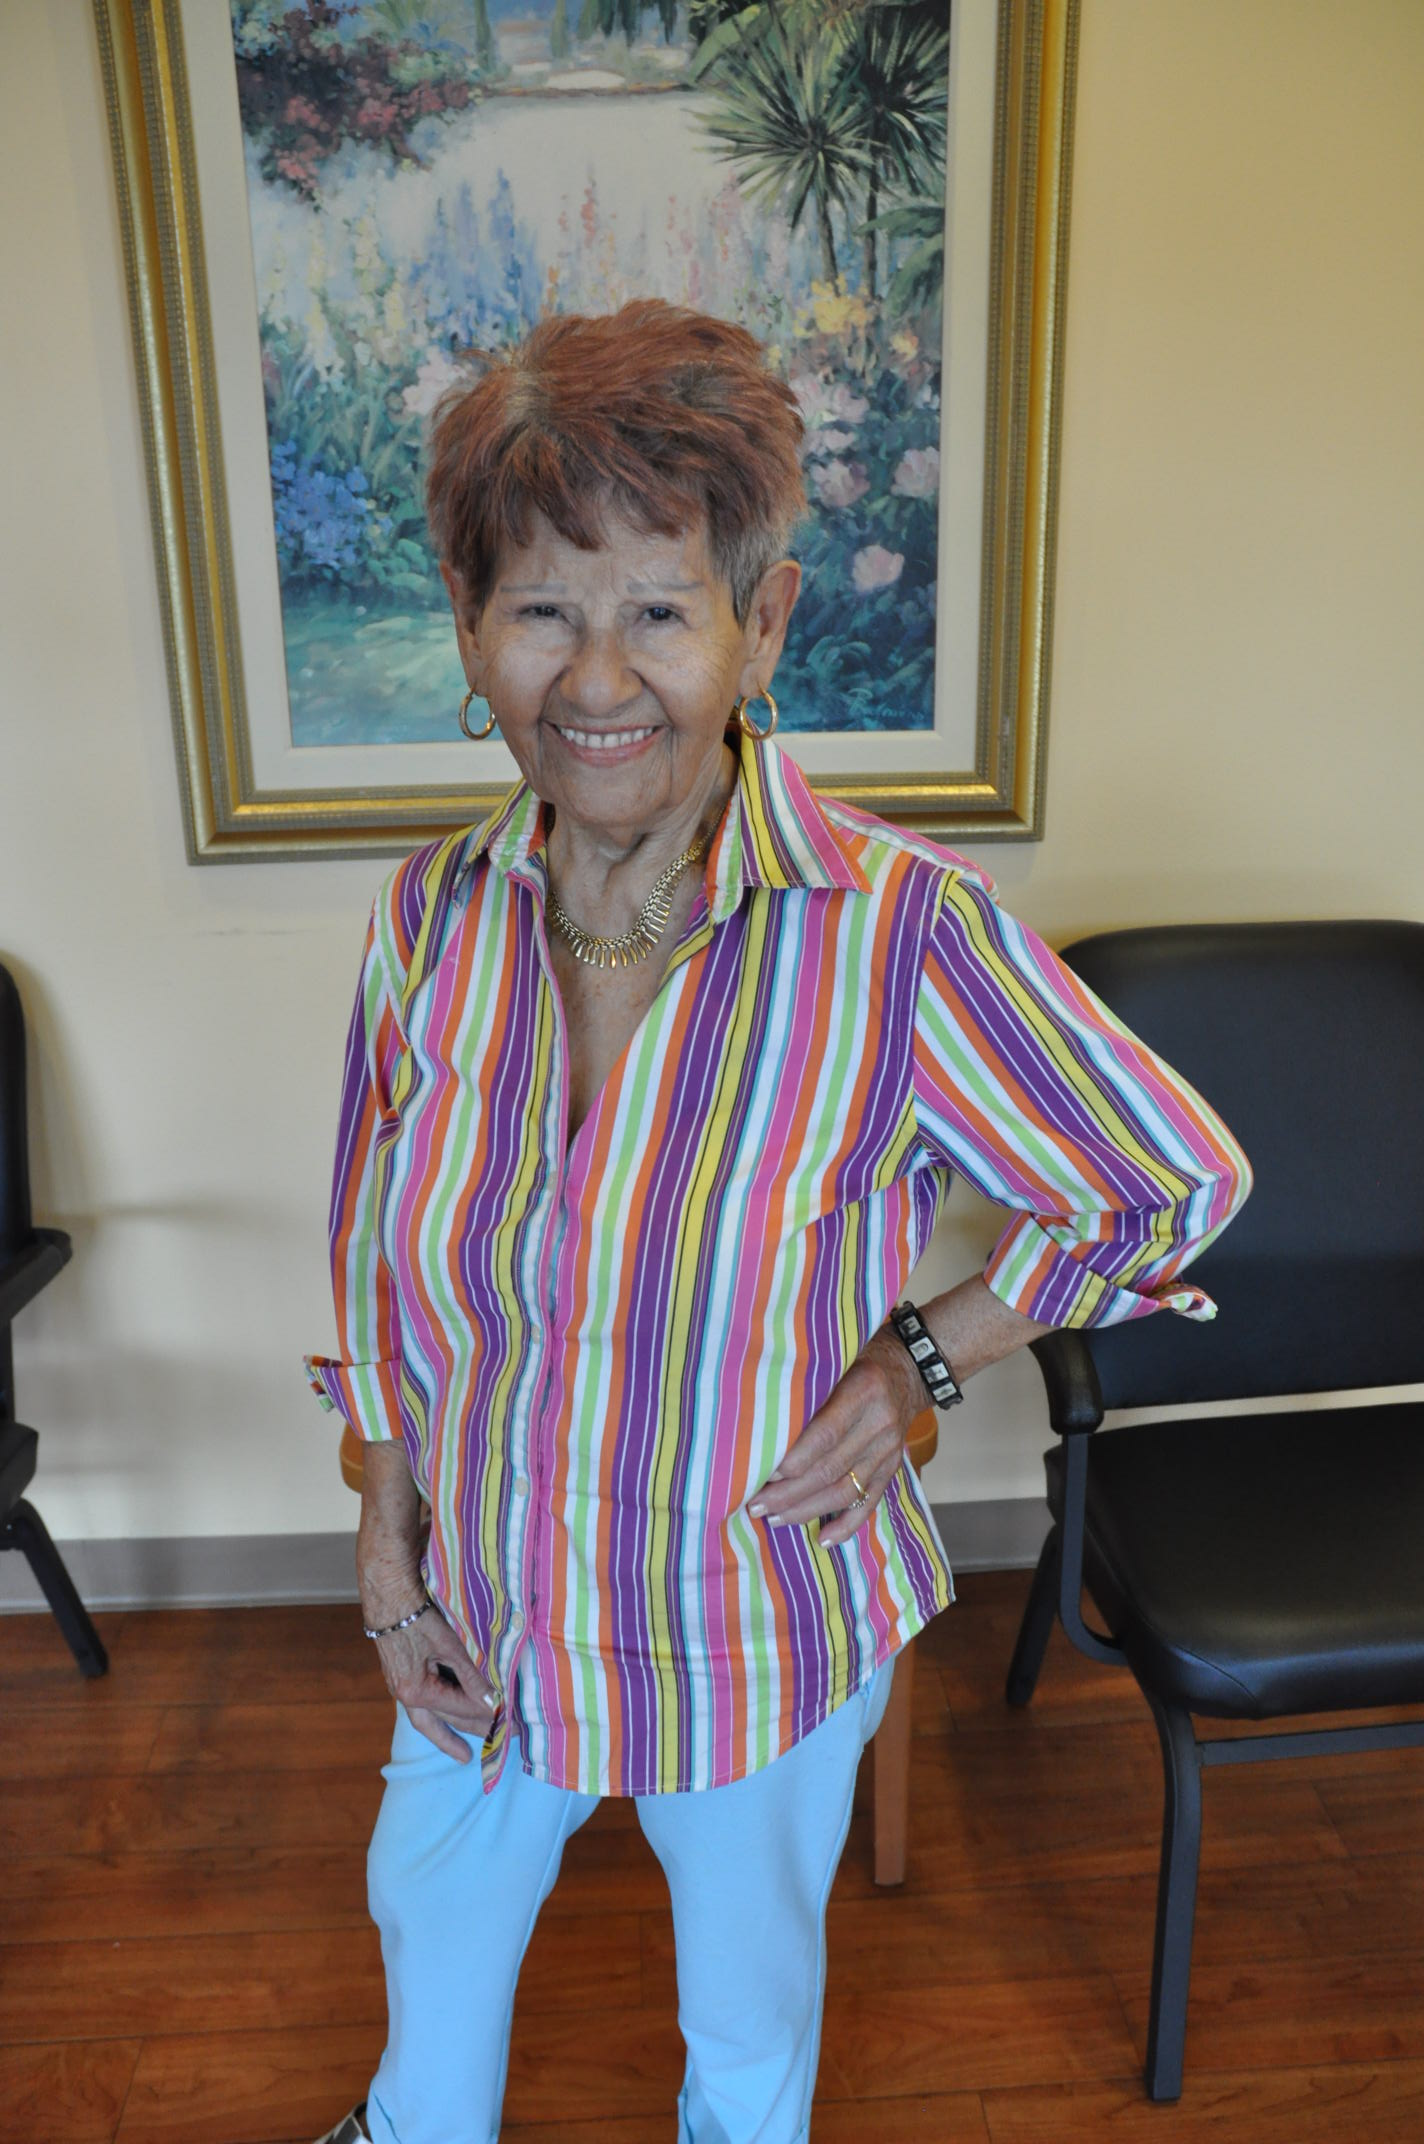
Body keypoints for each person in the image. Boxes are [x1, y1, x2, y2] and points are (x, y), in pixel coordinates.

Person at [304, 299, 1252, 2144]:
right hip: (481, 1605)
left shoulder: (898, 934)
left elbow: (1173, 1180)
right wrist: (389, 1540)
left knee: (745, 2028)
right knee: (429, 1933)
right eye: (541, 609)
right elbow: (372, 1256)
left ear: (767, 622)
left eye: (661, 610)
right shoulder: (429, 918)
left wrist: (924, 1359)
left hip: (749, 1615)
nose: (598, 678)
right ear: (469, 626)